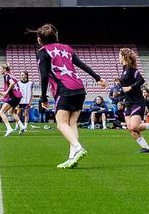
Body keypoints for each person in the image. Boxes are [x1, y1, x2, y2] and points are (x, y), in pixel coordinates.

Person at [34, 24, 106, 168]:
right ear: (56, 36)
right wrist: (98, 78)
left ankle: (78, 148)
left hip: (64, 89)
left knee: (61, 123)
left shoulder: (42, 52)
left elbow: (43, 76)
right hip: (79, 89)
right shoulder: (67, 48)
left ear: (40, 40)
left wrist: (43, 97)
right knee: (72, 123)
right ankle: (72, 157)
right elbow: (81, 65)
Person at [0, 64, 26, 136]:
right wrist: (5, 95)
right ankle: (21, 126)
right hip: (18, 96)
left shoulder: (6, 76)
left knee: (1, 112)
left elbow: (12, 83)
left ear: (4, 69)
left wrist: (6, 92)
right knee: (11, 111)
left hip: (14, 96)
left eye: (1, 69)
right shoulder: (11, 75)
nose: (0, 70)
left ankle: (9, 128)